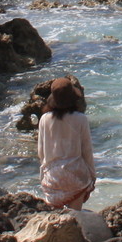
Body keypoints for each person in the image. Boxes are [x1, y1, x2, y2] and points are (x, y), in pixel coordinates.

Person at [36, 76, 96, 209]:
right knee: (75, 217)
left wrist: (45, 174)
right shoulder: (81, 119)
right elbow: (87, 150)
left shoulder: (44, 119)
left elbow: (41, 153)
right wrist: (92, 175)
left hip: (53, 178)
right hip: (75, 176)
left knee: (56, 221)